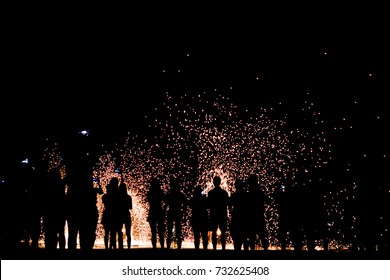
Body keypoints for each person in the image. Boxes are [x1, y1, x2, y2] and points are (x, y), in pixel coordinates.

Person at [246, 174, 269, 250]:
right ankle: (265, 250)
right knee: (261, 235)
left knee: (252, 235)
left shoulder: (250, 190)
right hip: (258, 215)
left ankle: (253, 252)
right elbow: (266, 200)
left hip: (253, 215)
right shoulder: (259, 190)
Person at [207, 176, 229, 250]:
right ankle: (223, 248)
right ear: (220, 182)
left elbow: (208, 205)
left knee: (213, 232)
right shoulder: (224, 193)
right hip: (222, 215)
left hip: (214, 215)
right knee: (223, 233)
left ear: (213, 182)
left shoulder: (210, 193)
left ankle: (215, 248)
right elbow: (228, 204)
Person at [165, 177, 187, 249]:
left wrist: (164, 214)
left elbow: (166, 205)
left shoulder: (170, 194)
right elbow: (185, 206)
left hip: (171, 212)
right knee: (178, 231)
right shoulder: (180, 195)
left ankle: (168, 247)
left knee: (170, 231)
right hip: (178, 212)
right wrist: (184, 215)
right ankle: (179, 247)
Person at [146, 178, 166, 249]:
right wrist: (164, 210)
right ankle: (162, 247)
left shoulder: (150, 192)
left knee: (153, 232)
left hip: (152, 212)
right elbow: (165, 201)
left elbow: (148, 200)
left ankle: (154, 247)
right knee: (161, 231)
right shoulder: (160, 192)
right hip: (159, 212)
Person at [102, 177, 120, 249]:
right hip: (114, 214)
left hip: (107, 214)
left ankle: (107, 247)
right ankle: (112, 247)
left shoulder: (105, 196)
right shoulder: (117, 195)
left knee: (107, 232)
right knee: (113, 232)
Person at [189, 185, 209, 250]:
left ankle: (197, 249)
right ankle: (204, 249)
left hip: (196, 218)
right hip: (203, 219)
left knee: (196, 236)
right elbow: (208, 206)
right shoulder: (204, 199)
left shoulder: (193, 198)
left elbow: (190, 206)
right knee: (204, 236)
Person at [118, 182, 132, 249]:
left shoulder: (118, 197)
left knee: (119, 231)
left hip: (120, 214)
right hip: (126, 214)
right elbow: (131, 207)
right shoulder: (128, 197)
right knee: (128, 232)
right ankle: (129, 247)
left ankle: (120, 246)